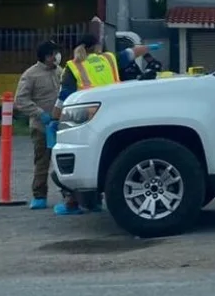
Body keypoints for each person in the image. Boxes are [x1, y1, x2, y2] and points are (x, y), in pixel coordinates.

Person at [50, 22, 158, 216]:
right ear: (97, 47)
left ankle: (72, 203)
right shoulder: (110, 59)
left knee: (78, 158)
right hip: (115, 115)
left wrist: (54, 119)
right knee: (104, 157)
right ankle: (95, 203)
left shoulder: (73, 66)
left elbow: (63, 97)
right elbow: (134, 51)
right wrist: (151, 48)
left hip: (87, 117)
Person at [13, 40, 63, 211]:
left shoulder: (60, 72)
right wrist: (40, 113)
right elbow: (20, 100)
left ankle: (68, 196)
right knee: (42, 162)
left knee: (64, 162)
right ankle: (39, 195)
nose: (57, 56)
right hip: (41, 128)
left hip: (62, 126)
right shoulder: (31, 75)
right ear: (47, 56)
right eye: (54, 53)